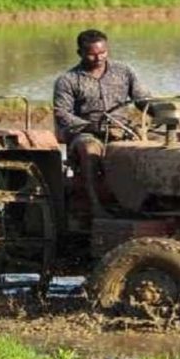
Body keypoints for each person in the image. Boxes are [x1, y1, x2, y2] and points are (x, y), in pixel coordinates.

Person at [53, 29, 150, 218]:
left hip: (121, 128)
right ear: (80, 53)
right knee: (90, 150)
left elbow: (142, 98)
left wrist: (163, 111)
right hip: (86, 132)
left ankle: (146, 203)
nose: (99, 58)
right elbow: (62, 113)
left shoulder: (124, 71)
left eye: (103, 52)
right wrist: (91, 127)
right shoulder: (68, 80)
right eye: (92, 54)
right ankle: (96, 205)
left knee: (155, 145)